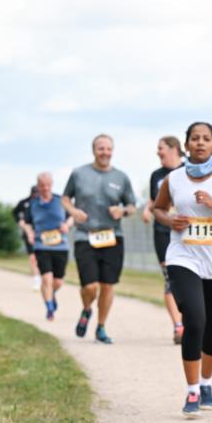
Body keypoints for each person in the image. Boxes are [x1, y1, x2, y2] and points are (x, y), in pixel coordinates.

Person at [155, 122, 212, 417]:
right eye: (194, 139)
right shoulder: (173, 179)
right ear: (186, 145)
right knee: (194, 319)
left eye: (205, 139)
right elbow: (157, 209)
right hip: (183, 255)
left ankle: (207, 383)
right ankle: (192, 390)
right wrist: (170, 221)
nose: (199, 143)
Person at [62, 134, 137, 344]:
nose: (105, 152)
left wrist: (122, 211)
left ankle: (101, 327)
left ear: (113, 151)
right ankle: (87, 309)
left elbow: (132, 206)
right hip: (84, 236)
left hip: (113, 237)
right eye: (100, 148)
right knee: (90, 286)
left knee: (107, 285)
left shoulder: (121, 177)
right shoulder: (79, 174)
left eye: (108, 149)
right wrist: (73, 212)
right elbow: (65, 198)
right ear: (93, 150)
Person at [142, 136, 186, 344]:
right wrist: (146, 209)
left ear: (174, 149)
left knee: (189, 277)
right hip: (162, 231)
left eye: (161, 148)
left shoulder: (189, 169)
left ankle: (190, 321)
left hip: (187, 232)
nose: (158, 152)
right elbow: (154, 200)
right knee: (171, 277)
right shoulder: (156, 176)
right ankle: (178, 326)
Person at [21, 172, 73, 321]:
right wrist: (30, 233)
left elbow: (72, 218)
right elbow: (26, 223)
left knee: (57, 282)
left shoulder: (60, 201)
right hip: (41, 245)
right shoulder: (33, 205)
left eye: (48, 185)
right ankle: (50, 308)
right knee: (46, 279)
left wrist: (67, 225)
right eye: (42, 185)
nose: (45, 188)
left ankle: (51, 294)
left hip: (60, 246)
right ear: (38, 186)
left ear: (52, 184)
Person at [13, 185, 42, 291]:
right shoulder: (24, 203)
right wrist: (20, 222)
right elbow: (15, 212)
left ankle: (46, 278)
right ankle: (37, 280)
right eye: (35, 193)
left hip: (43, 234)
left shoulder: (44, 203)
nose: (36, 195)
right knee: (33, 257)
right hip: (29, 233)